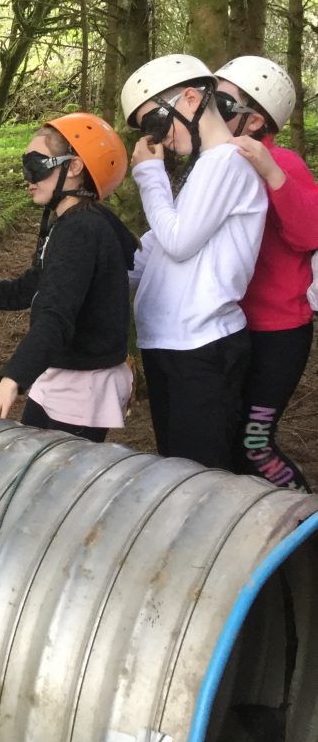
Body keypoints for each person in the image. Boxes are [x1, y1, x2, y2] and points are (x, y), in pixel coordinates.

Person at [0, 114, 137, 440]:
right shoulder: (74, 223)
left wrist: (12, 381)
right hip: (65, 375)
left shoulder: (80, 231)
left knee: (52, 470)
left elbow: (56, 315)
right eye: (25, 167)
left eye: (37, 166)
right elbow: (27, 289)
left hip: (79, 390)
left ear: (74, 167)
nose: (29, 178)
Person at [122, 54, 267, 470]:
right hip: (170, 342)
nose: (157, 139)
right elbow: (158, 245)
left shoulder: (227, 162)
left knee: (200, 477)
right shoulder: (206, 166)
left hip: (202, 346)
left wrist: (149, 176)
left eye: (155, 123)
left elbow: (179, 240)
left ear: (190, 99)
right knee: (176, 470)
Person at [215, 56, 317, 491]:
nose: (206, 112)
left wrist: (271, 172)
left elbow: (309, 233)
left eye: (220, 104)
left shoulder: (284, 163)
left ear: (254, 121)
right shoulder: (215, 165)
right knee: (226, 441)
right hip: (228, 327)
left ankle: (303, 517)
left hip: (279, 333)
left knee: (255, 444)